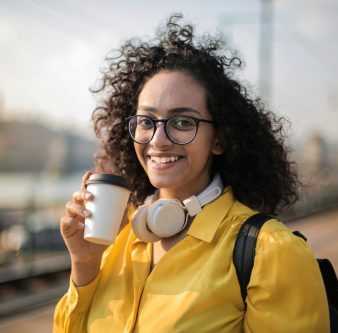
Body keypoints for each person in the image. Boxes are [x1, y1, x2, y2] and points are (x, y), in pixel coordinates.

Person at [53, 14, 330, 332]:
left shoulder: (273, 252)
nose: (157, 140)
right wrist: (85, 263)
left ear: (220, 139)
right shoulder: (117, 237)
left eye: (183, 122)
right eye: (146, 121)